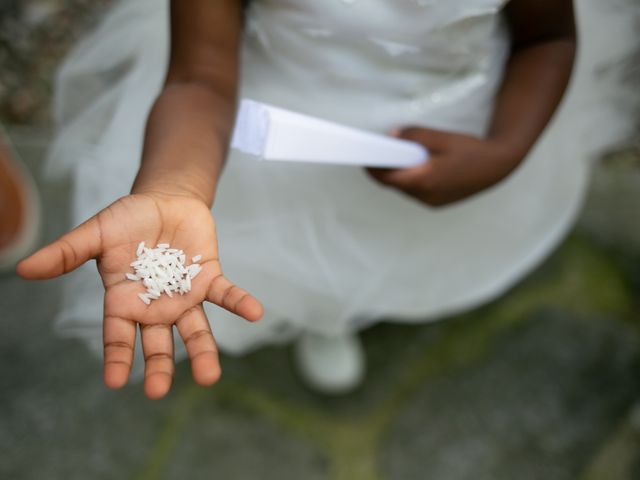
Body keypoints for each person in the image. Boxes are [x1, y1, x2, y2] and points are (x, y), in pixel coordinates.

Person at [17, 0, 632, 398]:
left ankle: (381, 294)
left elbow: (546, 38)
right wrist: (175, 188)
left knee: (422, 242)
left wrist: (504, 150)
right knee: (311, 263)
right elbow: (198, 77)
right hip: (284, 143)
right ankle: (327, 311)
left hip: (461, 126)